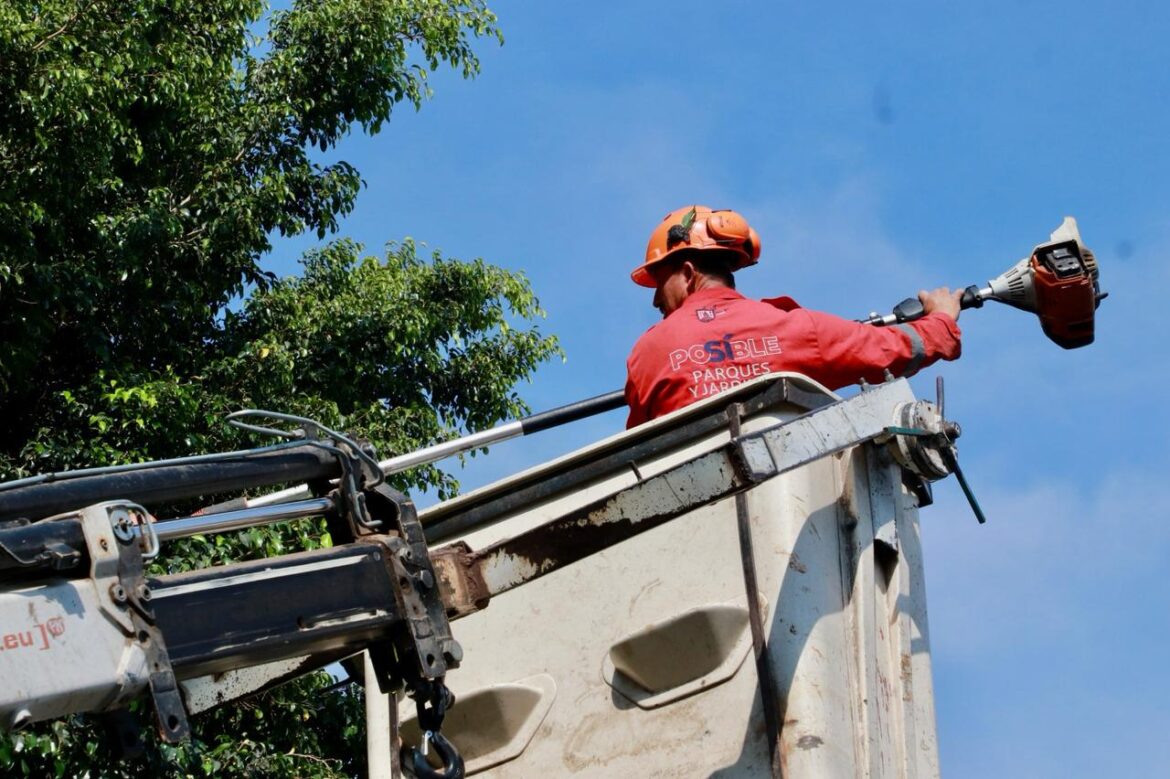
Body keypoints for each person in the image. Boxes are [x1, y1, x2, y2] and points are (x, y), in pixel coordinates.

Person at [624, 205, 963, 428]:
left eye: (659, 281)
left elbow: (637, 454)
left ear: (687, 272)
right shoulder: (796, 328)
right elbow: (895, 349)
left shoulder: (648, 352)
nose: (655, 298)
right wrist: (941, 320)